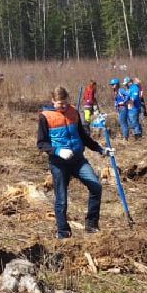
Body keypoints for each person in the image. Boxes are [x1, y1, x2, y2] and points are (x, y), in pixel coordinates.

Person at [37, 86, 107, 239]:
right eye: (58, 103)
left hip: (77, 160)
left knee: (96, 186)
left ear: (67, 99)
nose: (61, 106)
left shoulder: (74, 112)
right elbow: (41, 143)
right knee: (61, 198)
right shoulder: (45, 117)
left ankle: (91, 224)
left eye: (64, 103)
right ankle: (63, 231)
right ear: (52, 101)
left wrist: (99, 148)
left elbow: (83, 136)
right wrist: (57, 151)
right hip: (58, 162)